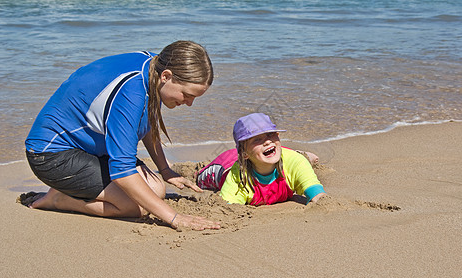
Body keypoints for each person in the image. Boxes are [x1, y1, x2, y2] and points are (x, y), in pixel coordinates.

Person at [22, 41, 220, 230]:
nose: (189, 103)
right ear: (166, 76)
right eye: (187, 95)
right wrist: (175, 218)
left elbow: (147, 123)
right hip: (51, 155)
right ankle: (60, 200)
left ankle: (73, 190)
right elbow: (122, 172)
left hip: (90, 149)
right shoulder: (131, 91)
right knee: (137, 208)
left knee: (156, 188)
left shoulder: (154, 67)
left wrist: (165, 171)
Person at [197, 113, 327, 206]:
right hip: (227, 165)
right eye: (257, 139)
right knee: (200, 179)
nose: (267, 141)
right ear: (244, 153)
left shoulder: (295, 162)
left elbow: (317, 195)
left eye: (271, 134)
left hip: (271, 155)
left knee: (296, 158)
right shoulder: (238, 177)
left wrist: (318, 197)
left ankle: (303, 155)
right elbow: (227, 207)